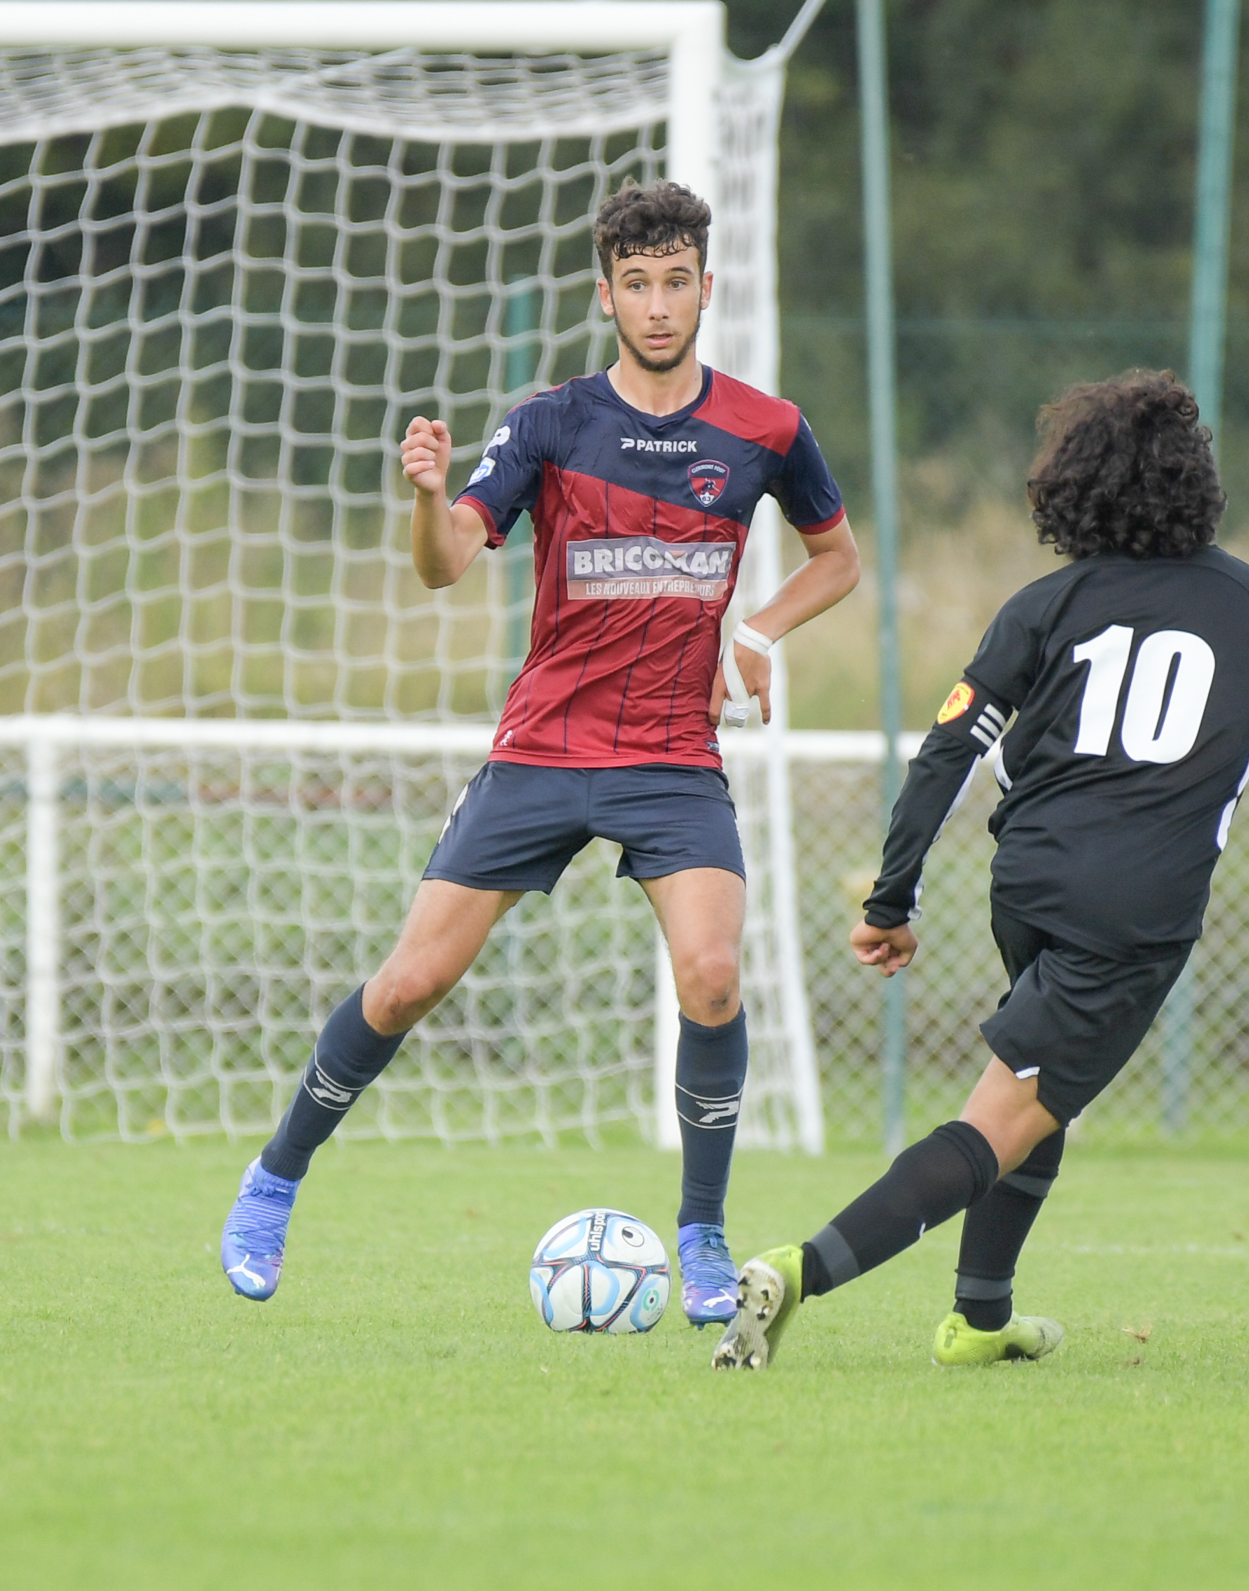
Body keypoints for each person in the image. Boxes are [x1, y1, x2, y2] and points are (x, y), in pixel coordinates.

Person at [220, 181, 862, 1323]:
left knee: (712, 974)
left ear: (706, 289)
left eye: (677, 283)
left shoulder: (766, 428)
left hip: (671, 752)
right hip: (546, 745)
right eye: (637, 284)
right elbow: (446, 561)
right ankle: (276, 1176)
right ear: (604, 293)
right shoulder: (552, 421)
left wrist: (752, 629)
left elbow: (838, 559)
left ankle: (704, 1236)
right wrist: (426, 498)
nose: (658, 306)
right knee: (412, 980)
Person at [711, 368, 1249, 1372]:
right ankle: (800, 1268)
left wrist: (892, 894)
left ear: (1072, 486)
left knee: (1042, 1089)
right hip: (1132, 911)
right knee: (1002, 1115)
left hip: (1033, 882)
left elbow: (949, 748)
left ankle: (979, 1316)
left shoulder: (1045, 605)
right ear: (1197, 484)